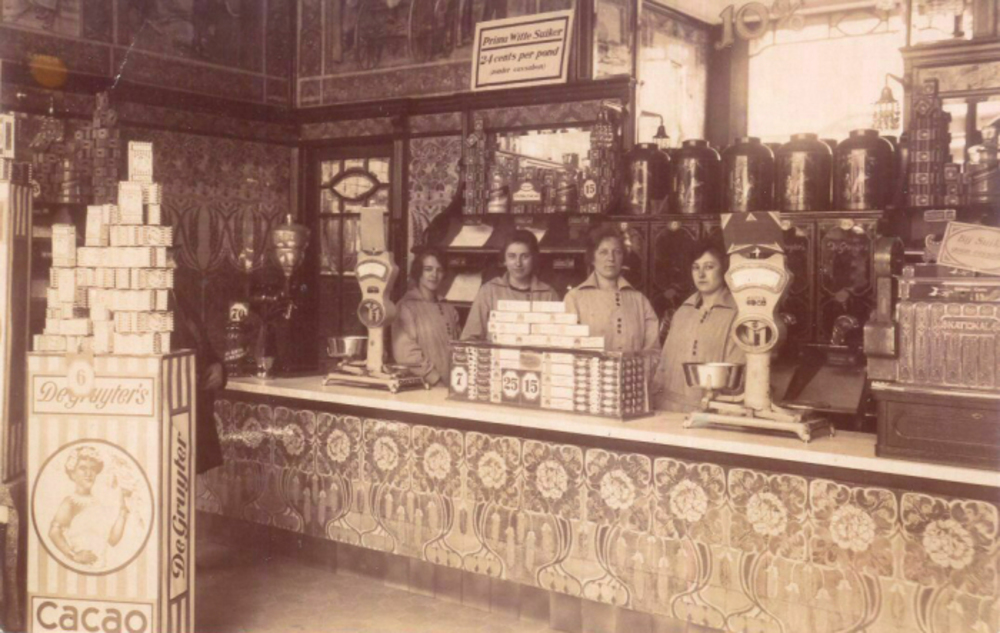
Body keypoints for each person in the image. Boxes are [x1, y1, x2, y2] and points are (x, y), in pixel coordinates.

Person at [653, 240, 745, 412]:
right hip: (667, 409)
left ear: (724, 269)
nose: (701, 274)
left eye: (709, 267)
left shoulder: (736, 314)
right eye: (696, 267)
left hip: (711, 411)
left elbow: (737, 377)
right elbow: (663, 366)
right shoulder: (682, 312)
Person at [564, 226, 659, 353]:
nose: (611, 258)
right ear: (592, 258)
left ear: (623, 257)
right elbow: (568, 350)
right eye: (603, 252)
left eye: (617, 252)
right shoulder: (574, 298)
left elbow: (653, 351)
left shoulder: (639, 300)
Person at [461, 230, 560, 341]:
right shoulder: (489, 291)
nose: (518, 263)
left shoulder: (548, 294)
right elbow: (469, 338)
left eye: (525, 256)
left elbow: (558, 340)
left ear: (534, 258)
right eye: (512, 256)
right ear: (505, 260)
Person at [172, 288, 226, 474]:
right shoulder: (142, 302)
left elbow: (203, 347)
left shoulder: (179, 297)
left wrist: (217, 366)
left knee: (188, 482)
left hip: (194, 414)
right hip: (171, 419)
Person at [49, 447, 131, 568]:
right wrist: (74, 555)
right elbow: (54, 532)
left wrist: (123, 512)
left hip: (100, 566)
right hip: (78, 567)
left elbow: (112, 540)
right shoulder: (70, 502)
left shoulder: (98, 503)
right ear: (72, 474)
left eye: (93, 468)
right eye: (83, 468)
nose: (89, 473)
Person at [392, 248, 459, 386]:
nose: (434, 275)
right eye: (428, 269)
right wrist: (435, 380)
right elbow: (407, 355)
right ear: (418, 272)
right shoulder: (406, 307)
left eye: (439, 270)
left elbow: (460, 350)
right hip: (425, 387)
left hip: (453, 384)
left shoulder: (449, 308)